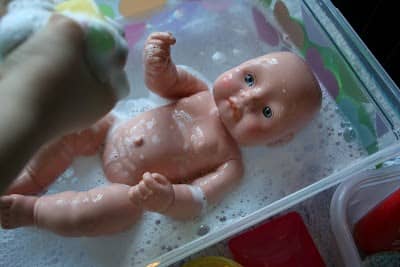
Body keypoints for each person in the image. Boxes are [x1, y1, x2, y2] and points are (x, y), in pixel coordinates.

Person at [0, 31, 322, 237]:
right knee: (81, 124)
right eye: (250, 78)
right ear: (241, 64)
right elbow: (163, 83)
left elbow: (197, 202)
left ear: (278, 140)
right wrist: (158, 61)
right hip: (111, 132)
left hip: (129, 189)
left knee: (110, 208)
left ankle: (34, 212)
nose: (246, 99)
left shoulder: (230, 165)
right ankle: (26, 177)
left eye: (266, 112)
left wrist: (166, 199)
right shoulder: (199, 89)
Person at [0, 14, 123, 194]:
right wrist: (160, 67)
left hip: (133, 187)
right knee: (73, 138)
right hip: (111, 129)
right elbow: (171, 85)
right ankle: (30, 185)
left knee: (118, 201)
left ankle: (34, 211)